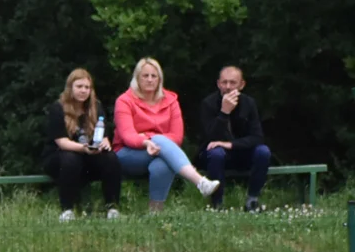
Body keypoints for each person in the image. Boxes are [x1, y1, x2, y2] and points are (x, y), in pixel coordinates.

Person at [113, 57, 219, 212]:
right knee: (160, 141)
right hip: (128, 154)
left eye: (154, 76)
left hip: (160, 152)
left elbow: (176, 136)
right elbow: (127, 135)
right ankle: (199, 181)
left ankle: (155, 211)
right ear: (137, 78)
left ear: (159, 79)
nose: (150, 80)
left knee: (163, 163)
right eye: (145, 76)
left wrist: (152, 140)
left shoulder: (170, 100)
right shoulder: (124, 101)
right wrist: (147, 141)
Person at [42, 68, 122, 221]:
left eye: (87, 87)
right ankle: (67, 210)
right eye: (79, 87)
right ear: (70, 88)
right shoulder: (58, 108)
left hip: (88, 155)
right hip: (59, 156)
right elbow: (62, 142)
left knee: (111, 158)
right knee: (70, 159)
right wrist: (84, 149)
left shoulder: (96, 106)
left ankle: (112, 208)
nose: (83, 91)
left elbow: (103, 134)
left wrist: (105, 143)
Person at [199, 66, 271, 211]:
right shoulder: (208, 104)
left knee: (263, 151)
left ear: (241, 85)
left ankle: (252, 200)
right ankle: (217, 204)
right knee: (216, 153)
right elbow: (209, 138)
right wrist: (224, 112)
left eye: (233, 83)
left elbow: (257, 137)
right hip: (216, 157)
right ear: (218, 84)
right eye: (224, 82)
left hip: (242, 152)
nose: (228, 87)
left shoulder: (249, 103)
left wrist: (230, 144)